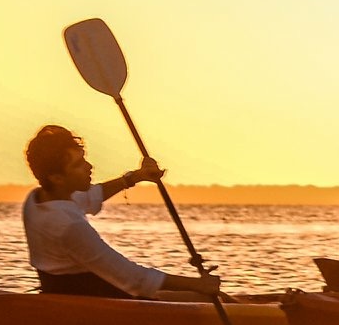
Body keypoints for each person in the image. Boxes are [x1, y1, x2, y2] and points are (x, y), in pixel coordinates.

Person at [22, 125, 221, 300]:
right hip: (104, 305)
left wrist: (135, 177)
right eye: (78, 165)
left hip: (74, 295)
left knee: (211, 296)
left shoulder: (37, 200)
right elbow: (133, 278)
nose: (89, 167)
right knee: (214, 298)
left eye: (84, 159)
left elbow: (92, 196)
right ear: (57, 178)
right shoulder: (69, 226)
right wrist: (197, 284)